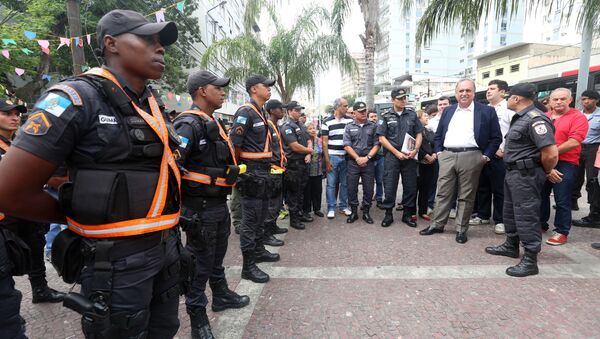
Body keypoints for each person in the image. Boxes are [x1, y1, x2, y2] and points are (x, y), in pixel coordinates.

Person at [0, 10, 183, 337]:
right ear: (111, 44)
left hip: (165, 249)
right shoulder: (74, 99)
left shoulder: (150, 103)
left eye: (161, 42)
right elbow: (9, 191)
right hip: (116, 261)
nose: (160, 48)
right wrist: (78, 213)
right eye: (147, 39)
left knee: (163, 330)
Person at [174, 70, 250, 338]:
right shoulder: (188, 124)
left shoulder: (212, 122)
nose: (223, 92)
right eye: (217, 88)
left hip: (218, 204)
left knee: (216, 258)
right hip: (199, 208)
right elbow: (173, 166)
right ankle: (198, 318)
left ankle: (221, 295)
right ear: (202, 91)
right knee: (199, 264)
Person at [485, 83, 558, 277]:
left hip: (527, 175)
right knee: (510, 211)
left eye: (509, 97)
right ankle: (511, 245)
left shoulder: (536, 119)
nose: (508, 99)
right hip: (513, 173)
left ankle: (530, 260)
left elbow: (550, 153)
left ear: (517, 99)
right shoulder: (521, 118)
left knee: (526, 214)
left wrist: (546, 170)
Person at [420, 79, 502, 244]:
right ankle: (437, 224)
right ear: (456, 94)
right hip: (447, 156)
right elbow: (439, 135)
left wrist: (485, 156)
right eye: (461, 91)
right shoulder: (448, 111)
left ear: (473, 92)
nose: (464, 93)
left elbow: (496, 138)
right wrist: (439, 152)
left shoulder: (486, 111)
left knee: (466, 195)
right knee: (442, 192)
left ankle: (461, 229)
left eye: (468, 90)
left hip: (472, 156)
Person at [229, 75, 280, 283]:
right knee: (250, 221)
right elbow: (235, 144)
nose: (269, 89)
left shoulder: (260, 113)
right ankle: (248, 266)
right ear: (252, 89)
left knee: (260, 216)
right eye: (265, 86)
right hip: (251, 173)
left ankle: (258, 250)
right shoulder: (245, 112)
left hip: (264, 171)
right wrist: (241, 172)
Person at [541, 88, 588, 245]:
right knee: (540, 195)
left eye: (563, 99)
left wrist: (551, 153)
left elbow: (574, 141)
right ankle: (541, 224)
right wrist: (545, 158)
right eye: (555, 99)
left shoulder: (577, 117)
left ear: (570, 99)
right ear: (550, 101)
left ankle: (561, 231)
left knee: (562, 199)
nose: (559, 102)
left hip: (565, 163)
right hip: (542, 161)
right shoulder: (544, 117)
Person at [470, 80, 515, 234]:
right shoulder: (483, 109)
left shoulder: (509, 109)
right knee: (482, 186)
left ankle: (500, 219)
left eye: (492, 89)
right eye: (488, 89)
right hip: (483, 154)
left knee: (499, 188)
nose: (488, 91)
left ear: (502, 92)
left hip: (500, 155)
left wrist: (502, 149)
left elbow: (513, 132)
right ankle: (482, 215)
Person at [377, 88, 423, 227]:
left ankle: (407, 215)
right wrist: (396, 153)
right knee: (390, 185)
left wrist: (415, 150)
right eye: (400, 98)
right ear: (393, 100)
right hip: (392, 156)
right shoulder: (385, 116)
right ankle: (388, 214)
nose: (403, 100)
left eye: (405, 98)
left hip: (409, 156)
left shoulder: (412, 115)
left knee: (410, 186)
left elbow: (419, 133)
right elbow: (381, 138)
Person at [343, 102, 380, 224]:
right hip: (353, 162)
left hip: (368, 162)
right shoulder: (349, 127)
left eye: (365, 111)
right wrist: (358, 158)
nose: (364, 113)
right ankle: (354, 212)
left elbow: (377, 144)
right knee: (352, 188)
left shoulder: (373, 126)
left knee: (369, 189)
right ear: (354, 113)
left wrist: (367, 158)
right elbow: (347, 145)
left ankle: (366, 212)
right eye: (361, 111)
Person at [281, 101, 314, 230]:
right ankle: (294, 219)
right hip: (293, 165)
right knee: (293, 193)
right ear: (289, 111)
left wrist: (308, 152)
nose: (299, 112)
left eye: (300, 110)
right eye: (296, 110)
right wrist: (309, 151)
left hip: (303, 163)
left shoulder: (301, 124)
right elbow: (294, 146)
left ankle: (299, 214)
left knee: (301, 191)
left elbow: (308, 140)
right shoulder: (287, 126)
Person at [572, 90, 600, 228]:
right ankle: (573, 201)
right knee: (574, 176)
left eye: (589, 99)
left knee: (592, 180)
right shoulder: (577, 114)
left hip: (594, 149)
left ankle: (594, 213)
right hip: (576, 146)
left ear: (596, 100)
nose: (586, 102)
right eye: (583, 99)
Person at [322, 98, 353, 219]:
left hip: (346, 157)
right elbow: (324, 143)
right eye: (345, 106)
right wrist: (327, 160)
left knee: (345, 184)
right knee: (331, 184)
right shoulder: (326, 122)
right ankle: (331, 208)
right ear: (338, 107)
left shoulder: (350, 121)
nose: (347, 108)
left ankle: (343, 206)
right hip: (333, 157)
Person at [263, 99, 287, 246]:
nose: (282, 111)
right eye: (279, 109)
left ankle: (272, 226)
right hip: (271, 170)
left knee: (277, 202)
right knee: (271, 203)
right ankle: (266, 234)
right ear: (271, 110)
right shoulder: (268, 126)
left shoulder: (276, 126)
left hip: (279, 169)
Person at [416, 109, 436, 221]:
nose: (427, 117)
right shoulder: (414, 131)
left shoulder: (429, 131)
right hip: (418, 164)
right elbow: (413, 145)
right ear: (418, 119)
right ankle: (411, 211)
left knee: (426, 189)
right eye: (425, 116)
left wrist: (433, 154)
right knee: (414, 188)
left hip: (430, 164)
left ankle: (423, 211)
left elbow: (435, 144)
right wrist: (425, 156)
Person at [303, 122, 324, 217]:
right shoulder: (303, 141)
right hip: (306, 171)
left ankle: (317, 209)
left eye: (314, 128)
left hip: (318, 171)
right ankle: (306, 211)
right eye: (310, 128)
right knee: (307, 192)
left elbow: (323, 154)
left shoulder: (319, 140)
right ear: (306, 131)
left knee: (317, 191)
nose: (312, 130)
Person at [368, 110, 385, 209]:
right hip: (369, 159)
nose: (374, 118)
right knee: (368, 181)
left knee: (379, 180)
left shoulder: (381, 127)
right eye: (371, 116)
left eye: (375, 116)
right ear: (368, 118)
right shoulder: (366, 128)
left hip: (380, 158)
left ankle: (379, 199)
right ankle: (368, 200)